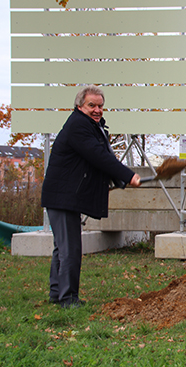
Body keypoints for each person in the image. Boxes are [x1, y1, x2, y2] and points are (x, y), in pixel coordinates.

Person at [41, 85, 141, 308]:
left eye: (100, 106)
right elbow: (97, 156)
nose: (97, 110)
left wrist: (120, 179)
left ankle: (57, 294)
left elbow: (101, 157)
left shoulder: (91, 127)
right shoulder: (78, 125)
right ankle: (68, 299)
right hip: (63, 196)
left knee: (63, 247)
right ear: (80, 106)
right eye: (91, 105)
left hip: (65, 195)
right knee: (70, 249)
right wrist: (128, 174)